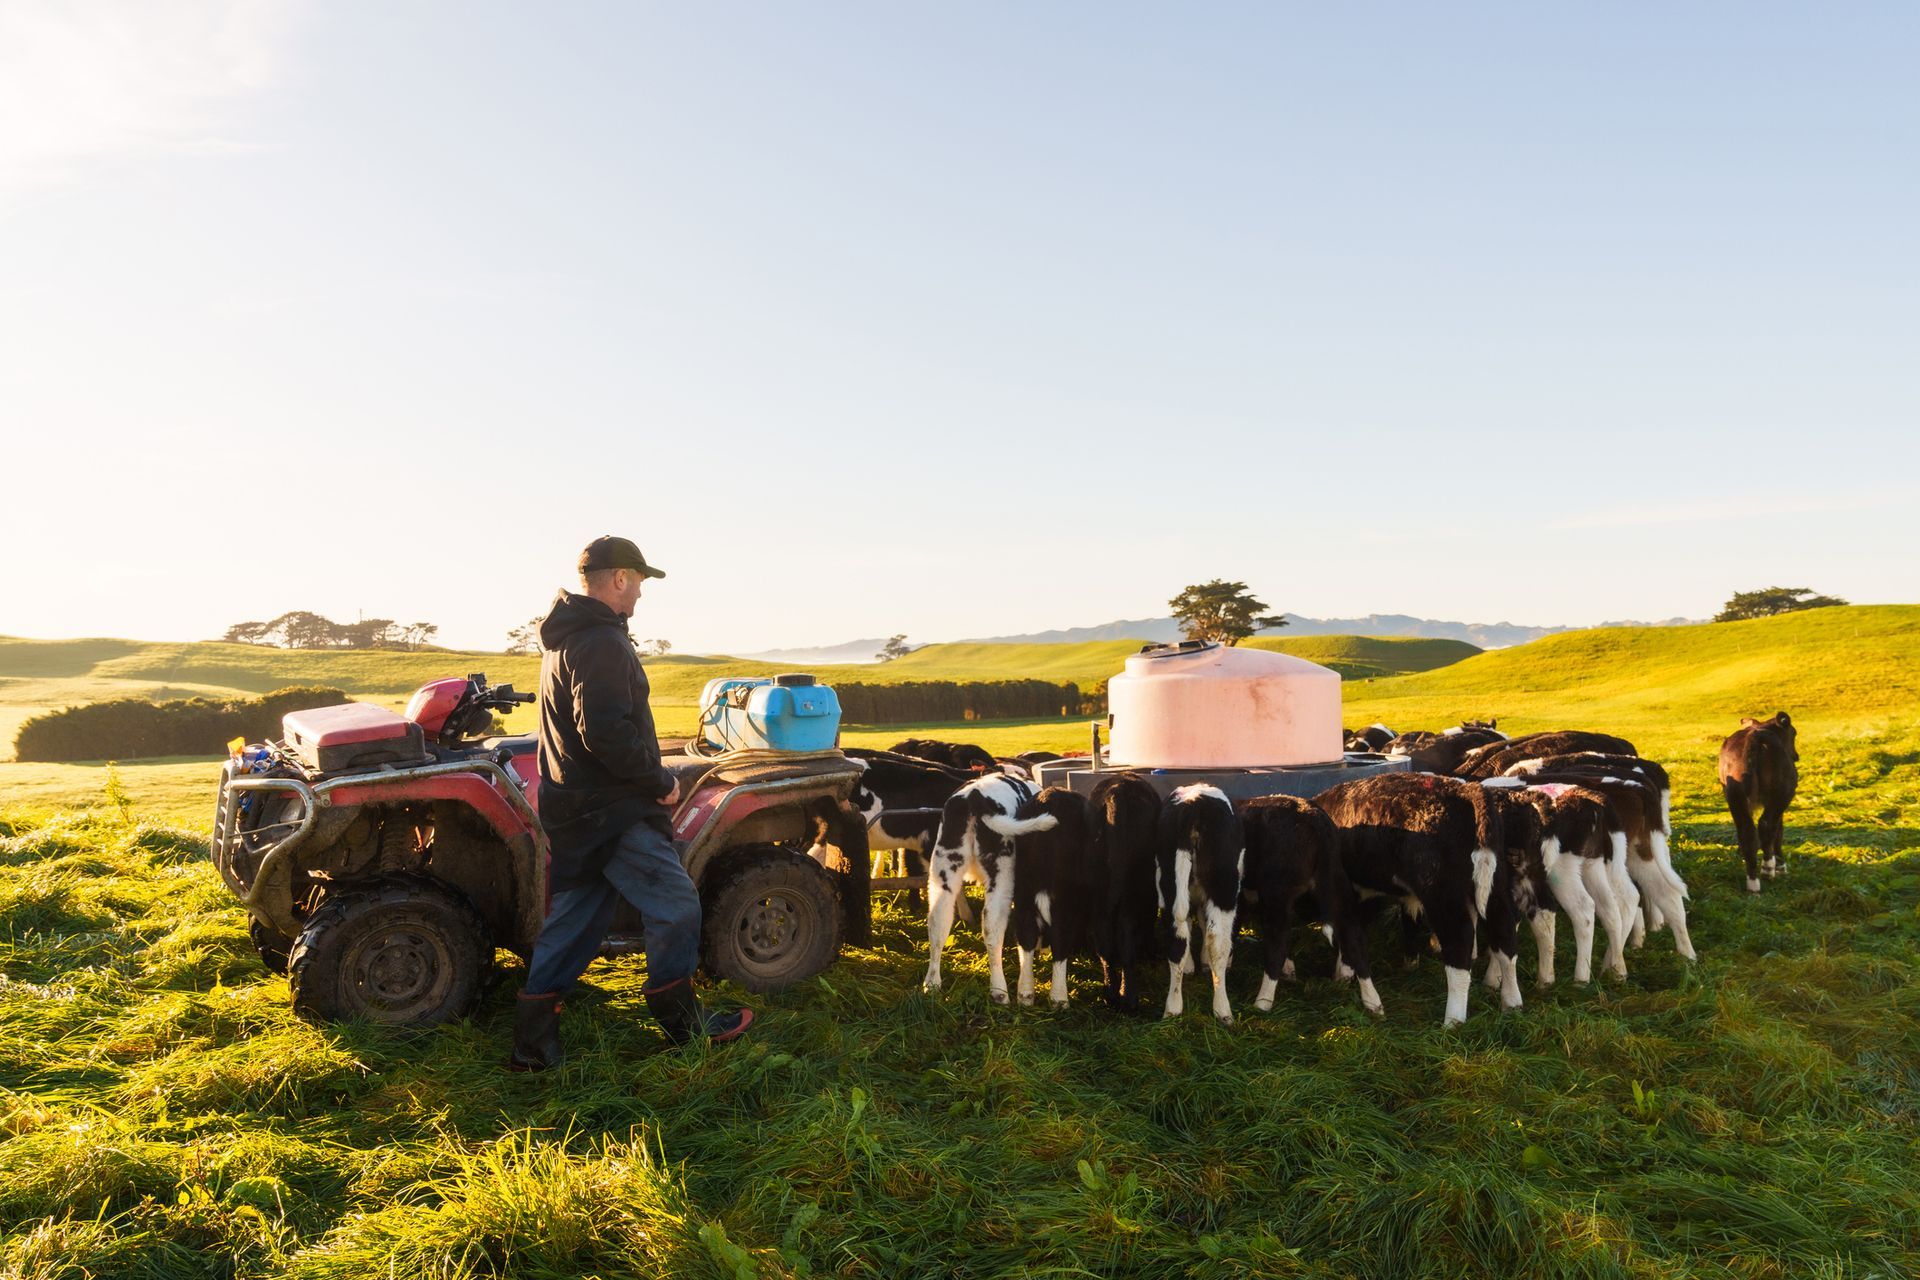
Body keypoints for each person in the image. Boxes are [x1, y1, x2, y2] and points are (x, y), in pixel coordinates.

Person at [508, 535, 753, 1071]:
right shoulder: (599, 641)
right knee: (675, 904)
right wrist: (657, 779)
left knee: (578, 917)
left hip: (572, 803)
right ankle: (681, 1022)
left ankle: (533, 1041)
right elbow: (603, 731)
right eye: (639, 581)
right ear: (619, 577)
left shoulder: (564, 637)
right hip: (611, 808)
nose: (641, 593)